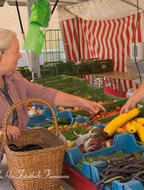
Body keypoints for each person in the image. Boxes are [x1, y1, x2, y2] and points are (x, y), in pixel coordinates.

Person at [0, 28, 106, 162]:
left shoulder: (14, 77)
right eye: (16, 51)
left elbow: (45, 94)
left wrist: (81, 102)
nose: (20, 55)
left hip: (13, 155)